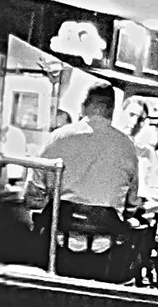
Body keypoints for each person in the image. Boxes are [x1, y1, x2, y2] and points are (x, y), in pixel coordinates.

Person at [40, 79, 141, 213]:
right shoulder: (127, 146)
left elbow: (35, 187)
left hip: (60, 221)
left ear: (82, 107)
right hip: (106, 223)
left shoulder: (58, 137)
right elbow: (131, 201)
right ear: (111, 111)